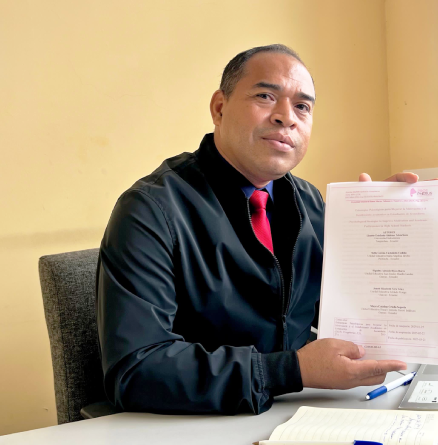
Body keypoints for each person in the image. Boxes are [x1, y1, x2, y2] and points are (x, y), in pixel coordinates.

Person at [96, 44, 418, 415]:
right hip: (194, 424)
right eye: (265, 96)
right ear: (219, 108)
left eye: (302, 106)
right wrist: (290, 371)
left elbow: (344, 319)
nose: (287, 118)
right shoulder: (150, 210)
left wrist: (374, 237)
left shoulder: (308, 202)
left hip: (298, 411)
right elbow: (135, 369)